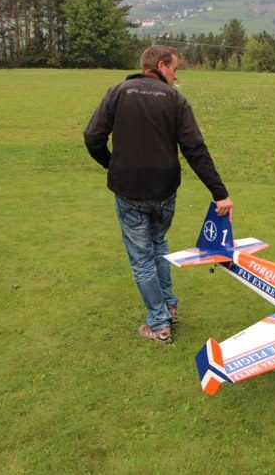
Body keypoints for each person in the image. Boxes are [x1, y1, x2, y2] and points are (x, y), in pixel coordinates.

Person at [84, 45, 233, 344]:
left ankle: (159, 323)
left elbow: (92, 137)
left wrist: (111, 164)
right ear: (162, 65)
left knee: (143, 258)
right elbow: (195, 148)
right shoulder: (174, 99)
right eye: (175, 69)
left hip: (130, 192)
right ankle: (168, 308)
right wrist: (220, 194)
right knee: (158, 246)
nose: (176, 77)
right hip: (164, 191)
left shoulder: (118, 92)